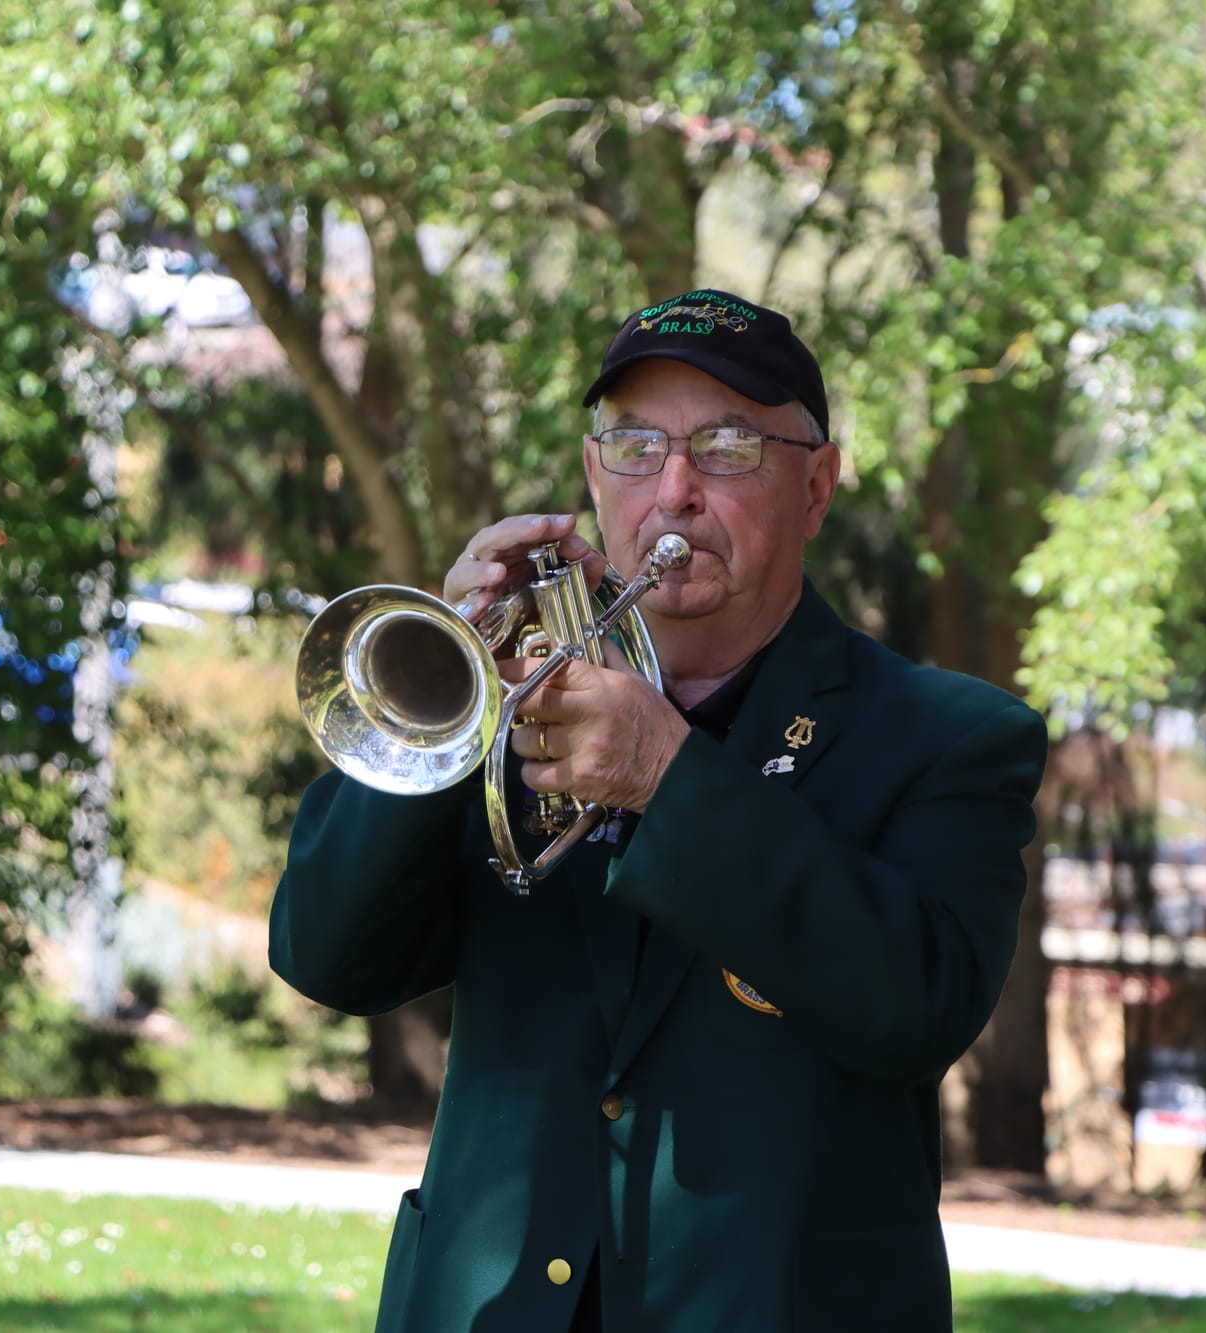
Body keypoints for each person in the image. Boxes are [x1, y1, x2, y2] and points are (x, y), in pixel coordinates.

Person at [270, 288, 1049, 1332]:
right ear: (596, 475)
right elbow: (326, 954)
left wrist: (668, 777)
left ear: (814, 486)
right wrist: (446, 691)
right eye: (634, 446)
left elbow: (914, 1007)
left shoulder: (947, 735)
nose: (672, 491)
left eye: (728, 446)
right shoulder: (517, 697)